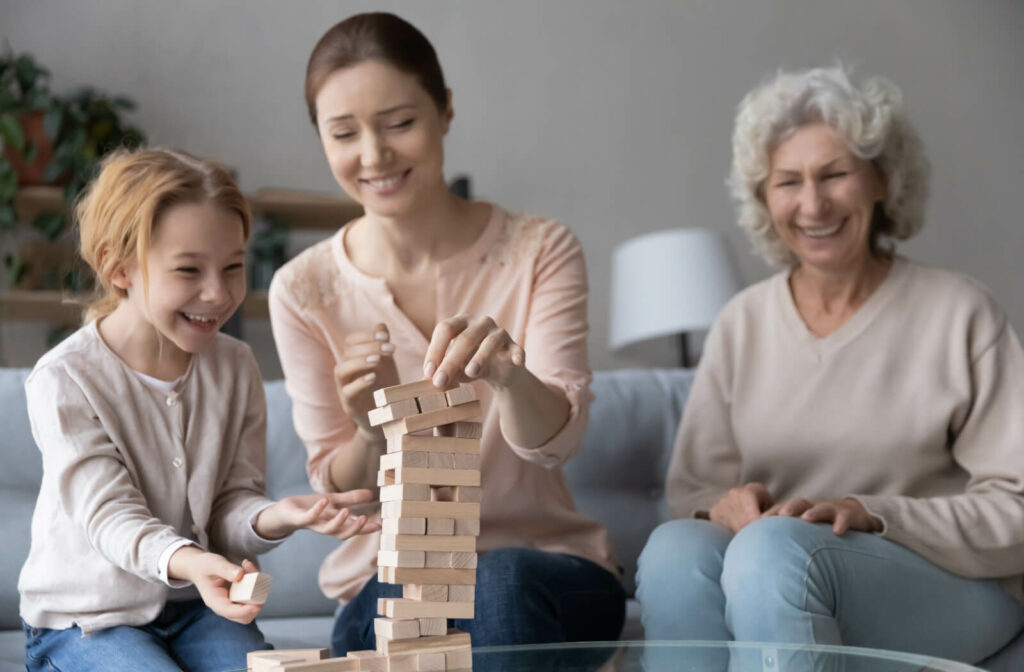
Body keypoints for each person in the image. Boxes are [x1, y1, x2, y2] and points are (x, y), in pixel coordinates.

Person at [636, 65, 1024, 666]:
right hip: (775, 573)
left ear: (881, 181)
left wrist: (874, 515)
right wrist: (726, 506)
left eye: (835, 174)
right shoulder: (742, 322)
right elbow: (695, 489)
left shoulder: (961, 311)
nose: (812, 204)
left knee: (771, 553)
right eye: (788, 181)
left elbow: (1018, 505)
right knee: (672, 551)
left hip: (950, 586)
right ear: (765, 198)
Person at [269, 12, 625, 655]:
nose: (373, 156)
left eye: (400, 123)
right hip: (385, 584)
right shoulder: (302, 289)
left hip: (546, 568)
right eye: (344, 133)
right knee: (452, 599)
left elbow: (557, 441)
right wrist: (369, 429)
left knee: (495, 584)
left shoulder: (541, 249)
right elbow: (339, 493)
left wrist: (510, 377)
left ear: (446, 111)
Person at [18, 148, 380, 672]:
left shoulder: (235, 366)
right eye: (188, 270)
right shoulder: (65, 379)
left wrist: (276, 516)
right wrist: (193, 562)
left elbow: (231, 500)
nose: (218, 293)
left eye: (234, 266)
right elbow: (110, 517)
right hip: (87, 620)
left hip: (197, 612)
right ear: (118, 267)